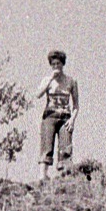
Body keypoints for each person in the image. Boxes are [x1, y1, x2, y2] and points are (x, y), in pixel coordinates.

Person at [34, 49, 79, 180]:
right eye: (53, 64)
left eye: (58, 64)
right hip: (49, 115)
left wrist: (72, 120)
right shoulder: (47, 80)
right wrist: (50, 80)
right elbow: (38, 94)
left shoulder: (71, 81)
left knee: (65, 147)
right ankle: (42, 176)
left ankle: (63, 176)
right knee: (46, 145)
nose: (56, 67)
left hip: (65, 117)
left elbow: (76, 105)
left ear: (62, 64)